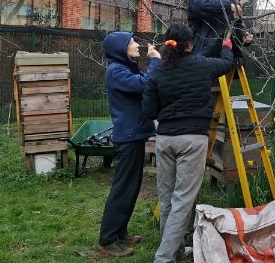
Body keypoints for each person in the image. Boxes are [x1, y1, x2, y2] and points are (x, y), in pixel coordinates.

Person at [142, 23, 234, 263]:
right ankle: (163, 258)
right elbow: (226, 64)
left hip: (165, 140)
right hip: (192, 140)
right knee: (183, 200)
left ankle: (175, 251)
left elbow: (149, 109)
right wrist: (226, 46)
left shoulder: (158, 71)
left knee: (167, 197)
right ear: (190, 45)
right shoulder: (200, 64)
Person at [98, 32, 161, 257]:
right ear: (120, 48)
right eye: (132, 42)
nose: (136, 45)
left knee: (132, 187)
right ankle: (107, 240)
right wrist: (154, 60)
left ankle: (120, 231)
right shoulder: (115, 72)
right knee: (123, 189)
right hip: (127, 137)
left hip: (134, 135)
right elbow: (144, 84)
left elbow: (143, 81)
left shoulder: (124, 67)